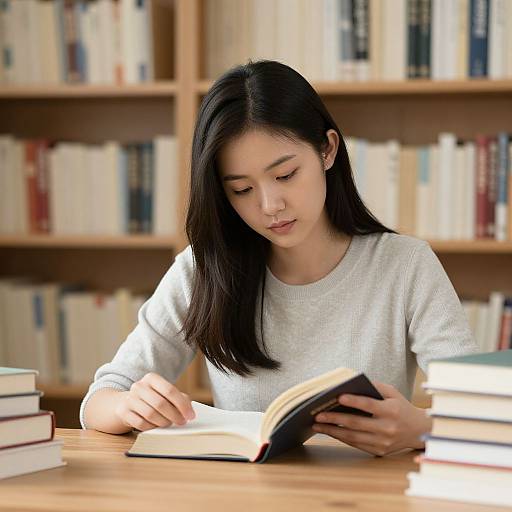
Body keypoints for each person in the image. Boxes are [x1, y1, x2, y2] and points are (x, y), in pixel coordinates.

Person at [80, 60, 478, 456]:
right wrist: (129, 406)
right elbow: (101, 398)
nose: (270, 205)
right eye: (241, 190)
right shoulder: (205, 270)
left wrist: (423, 429)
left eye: (285, 175)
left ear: (327, 150)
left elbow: (485, 413)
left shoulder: (404, 266)